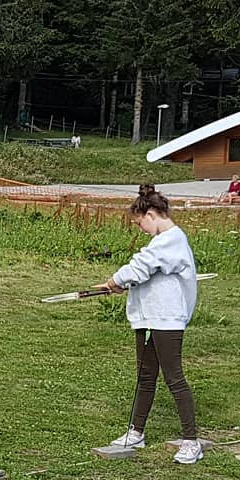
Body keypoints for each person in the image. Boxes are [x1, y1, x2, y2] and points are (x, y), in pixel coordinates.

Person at [100, 185, 202, 464]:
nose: (140, 228)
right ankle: (136, 432)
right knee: (145, 376)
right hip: (148, 318)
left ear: (153, 213)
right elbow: (147, 274)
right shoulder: (162, 242)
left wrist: (116, 280)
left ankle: (191, 441)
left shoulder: (172, 239)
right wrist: (123, 284)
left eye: (139, 222)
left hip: (167, 320)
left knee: (174, 378)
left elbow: (142, 265)